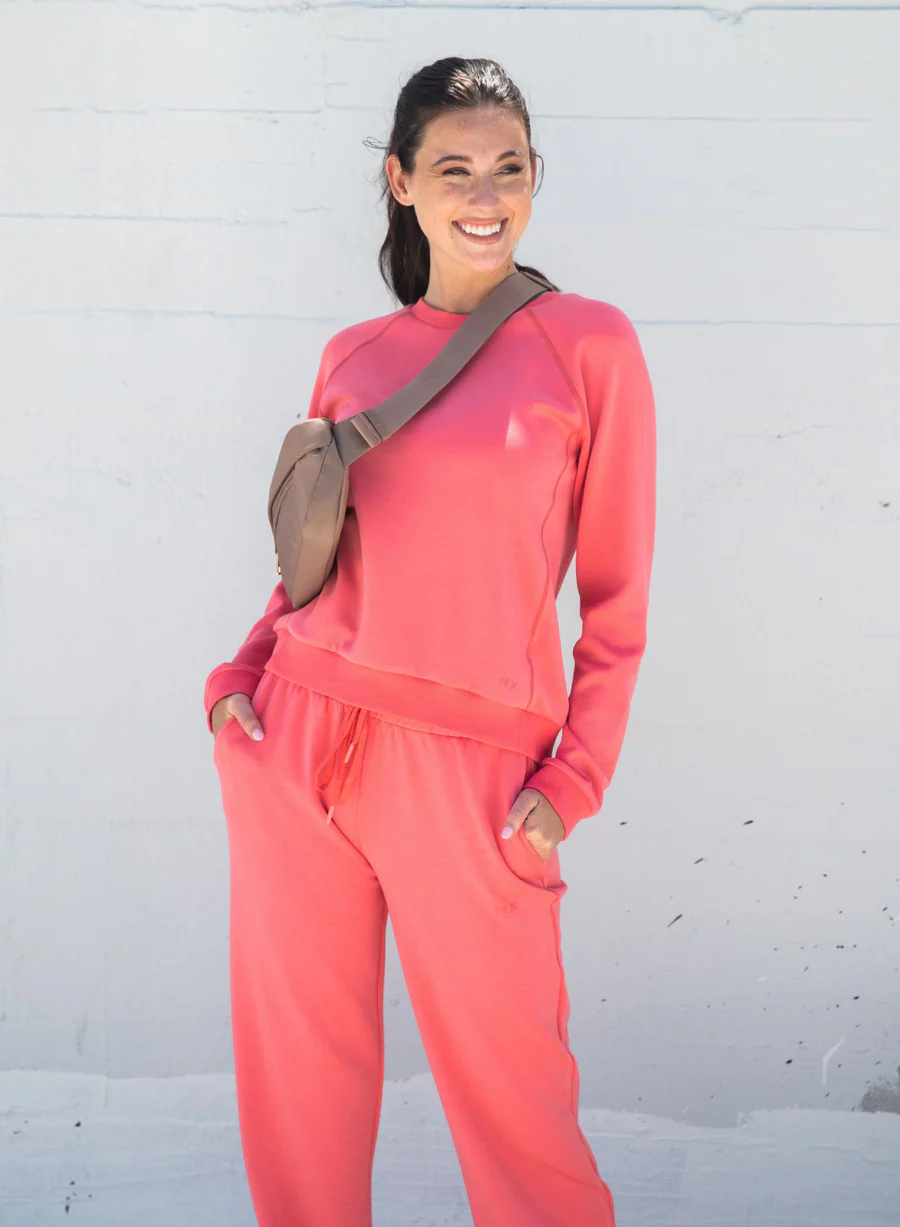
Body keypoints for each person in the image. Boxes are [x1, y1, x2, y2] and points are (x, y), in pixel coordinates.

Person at [205, 55, 656, 1227]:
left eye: (509, 168)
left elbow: (616, 599)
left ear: (534, 179)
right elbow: (309, 568)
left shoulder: (588, 347)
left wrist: (573, 783)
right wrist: (236, 684)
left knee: (521, 1122)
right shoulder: (353, 355)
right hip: (296, 743)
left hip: (473, 780)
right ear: (402, 183)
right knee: (299, 1102)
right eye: (454, 169)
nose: (485, 194)